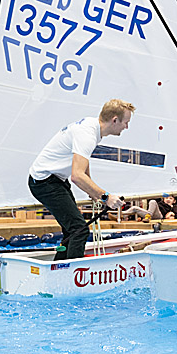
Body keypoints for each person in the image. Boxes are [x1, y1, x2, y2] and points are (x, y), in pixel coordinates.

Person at [27, 99, 131, 260]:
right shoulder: (87, 135)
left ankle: (59, 271)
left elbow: (82, 160)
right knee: (79, 230)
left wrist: (93, 191)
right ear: (115, 120)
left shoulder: (92, 126)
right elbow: (76, 175)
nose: (127, 127)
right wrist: (106, 197)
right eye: (126, 122)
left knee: (72, 230)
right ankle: (71, 278)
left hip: (56, 179)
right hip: (44, 182)